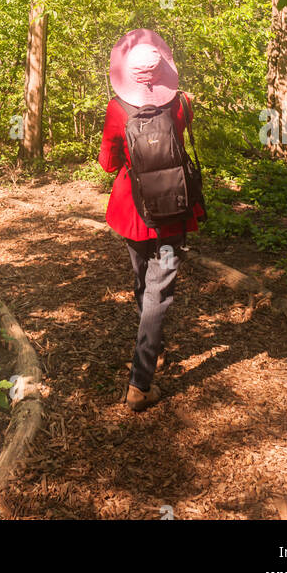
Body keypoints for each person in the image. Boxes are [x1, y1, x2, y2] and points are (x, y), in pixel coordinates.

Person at [99, 29, 205, 413]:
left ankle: (141, 376)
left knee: (145, 282)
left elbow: (108, 162)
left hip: (133, 211)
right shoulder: (181, 104)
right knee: (158, 291)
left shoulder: (116, 109)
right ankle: (146, 366)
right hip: (172, 212)